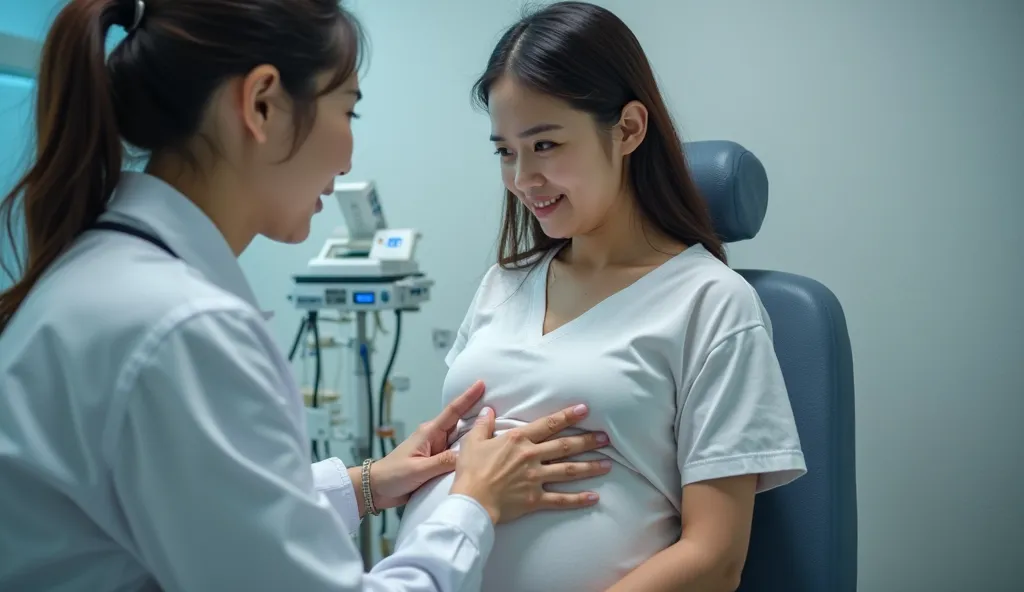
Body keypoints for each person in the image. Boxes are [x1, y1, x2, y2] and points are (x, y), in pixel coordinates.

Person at [0, 0, 616, 590]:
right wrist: (470, 507)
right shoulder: (180, 328)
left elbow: (206, 510)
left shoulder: (114, 279)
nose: (347, 159)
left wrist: (366, 484)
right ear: (263, 104)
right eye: (348, 111)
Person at [394, 2, 808, 591]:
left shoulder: (711, 303)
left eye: (545, 145)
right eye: (505, 151)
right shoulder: (503, 285)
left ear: (629, 129)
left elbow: (714, 559)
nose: (521, 180)